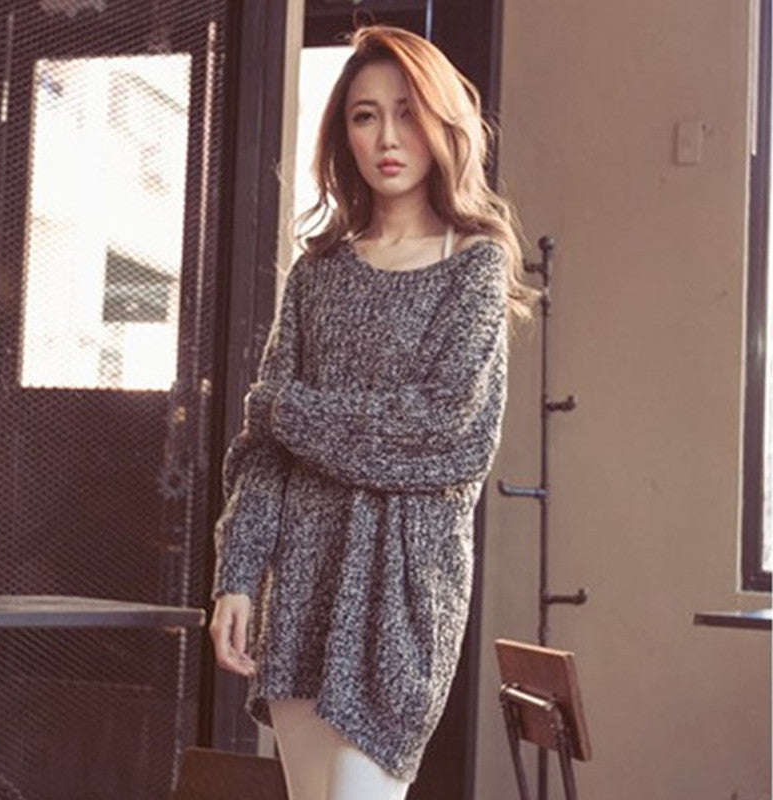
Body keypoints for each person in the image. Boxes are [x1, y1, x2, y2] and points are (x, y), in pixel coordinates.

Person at [209, 24, 533, 800]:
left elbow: (446, 436)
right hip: (302, 587)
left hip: (403, 595)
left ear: (442, 123)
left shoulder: (474, 265)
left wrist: (288, 408)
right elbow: (263, 451)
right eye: (364, 115)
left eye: (407, 112)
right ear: (343, 135)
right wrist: (238, 575)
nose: (387, 137)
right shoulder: (317, 274)